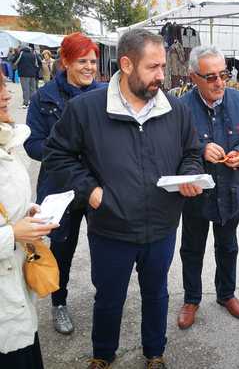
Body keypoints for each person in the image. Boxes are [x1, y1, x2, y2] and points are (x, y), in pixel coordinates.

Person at [43, 29, 204, 369]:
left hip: (161, 226)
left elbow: (191, 154)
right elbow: (58, 156)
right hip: (110, 227)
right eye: (153, 67)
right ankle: (103, 355)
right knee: (109, 298)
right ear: (127, 64)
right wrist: (90, 190)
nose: (162, 75)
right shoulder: (85, 109)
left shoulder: (176, 110)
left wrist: (190, 176)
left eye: (163, 66)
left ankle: (154, 354)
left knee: (157, 294)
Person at [177, 45, 239, 330]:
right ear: (194, 77)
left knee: (228, 247)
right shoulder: (178, 107)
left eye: (224, 75)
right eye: (211, 77)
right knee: (192, 248)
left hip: (231, 191)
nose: (219, 83)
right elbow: (166, 148)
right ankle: (191, 298)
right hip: (196, 195)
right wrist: (201, 149)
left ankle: (226, 294)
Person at [24, 32, 103, 336]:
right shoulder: (43, 98)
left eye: (93, 61)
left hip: (96, 183)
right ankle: (59, 303)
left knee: (104, 245)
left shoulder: (103, 94)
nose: (89, 67)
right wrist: (66, 153)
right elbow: (33, 144)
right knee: (62, 248)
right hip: (59, 186)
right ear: (65, 61)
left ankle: (104, 297)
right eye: (82, 61)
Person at [0, 70, 59, 369]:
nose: (6, 94)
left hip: (14, 290)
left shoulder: (4, 140)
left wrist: (28, 212)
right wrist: (13, 233)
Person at [13, 44, 41, 108]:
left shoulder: (21, 54)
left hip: (23, 74)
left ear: (22, 48)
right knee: (32, 89)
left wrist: (17, 66)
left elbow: (14, 61)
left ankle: (25, 103)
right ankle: (33, 103)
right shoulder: (33, 54)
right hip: (33, 74)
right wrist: (35, 70)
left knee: (25, 88)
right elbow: (37, 64)